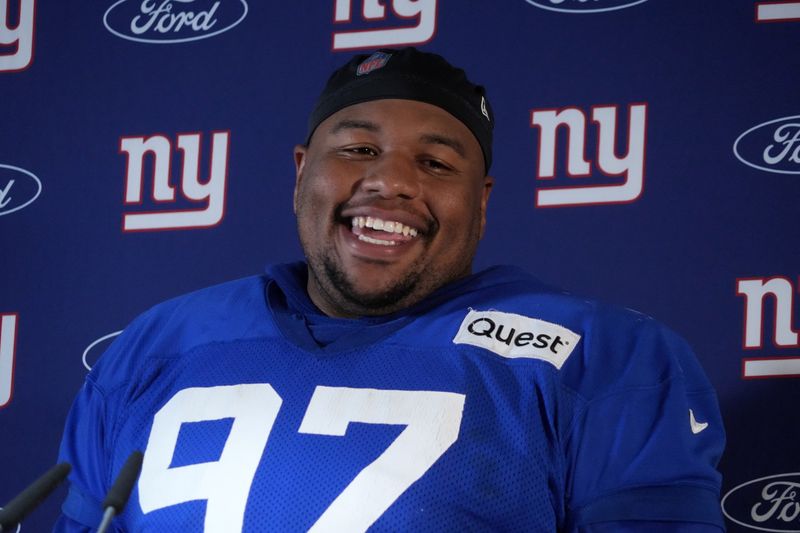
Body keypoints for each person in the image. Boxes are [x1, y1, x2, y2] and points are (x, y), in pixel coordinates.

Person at [55, 47, 726, 532]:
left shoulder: (605, 358)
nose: (394, 181)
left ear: (482, 202)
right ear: (300, 174)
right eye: (358, 150)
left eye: (434, 163)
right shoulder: (155, 347)